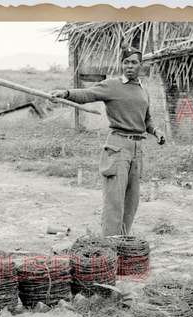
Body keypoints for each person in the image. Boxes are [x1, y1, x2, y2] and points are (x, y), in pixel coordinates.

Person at [51, 46, 166, 237]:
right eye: (126, 62)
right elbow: (88, 94)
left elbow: (147, 119)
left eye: (134, 62)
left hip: (137, 150)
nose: (129, 66)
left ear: (141, 66)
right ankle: (108, 248)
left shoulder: (143, 90)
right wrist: (66, 93)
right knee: (114, 202)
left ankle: (122, 242)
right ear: (122, 64)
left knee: (131, 202)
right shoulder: (112, 85)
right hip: (117, 147)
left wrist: (156, 131)